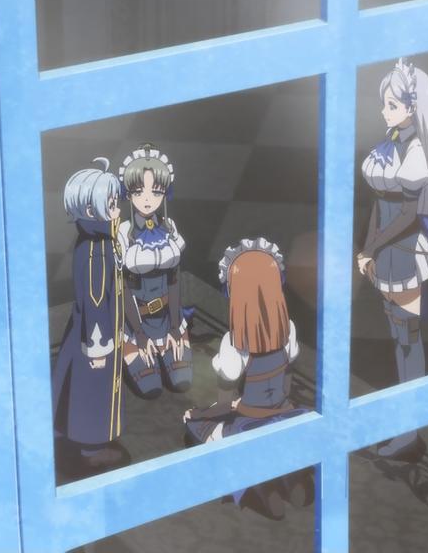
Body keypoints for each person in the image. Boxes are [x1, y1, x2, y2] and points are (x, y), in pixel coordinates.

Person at [356, 58, 428, 460]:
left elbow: (408, 215)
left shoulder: (415, 151)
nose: (384, 111)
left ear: (413, 107)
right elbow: (379, 206)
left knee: (408, 342)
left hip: (405, 255)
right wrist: (367, 247)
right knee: (400, 340)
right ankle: (405, 426)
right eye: (385, 103)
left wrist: (372, 247)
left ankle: (409, 431)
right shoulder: (391, 142)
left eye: (392, 104)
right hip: (386, 252)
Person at [184, 238, 312, 520]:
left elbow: (224, 403)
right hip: (282, 412)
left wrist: (201, 414)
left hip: (249, 421)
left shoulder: (235, 343)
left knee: (196, 427)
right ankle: (292, 478)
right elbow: (287, 382)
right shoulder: (288, 330)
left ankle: (261, 488)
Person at [52, 157, 134, 480]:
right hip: (96, 338)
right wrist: (99, 346)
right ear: (90, 209)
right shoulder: (96, 249)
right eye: (110, 204)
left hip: (86, 332)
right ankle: (90, 449)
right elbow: (96, 300)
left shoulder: (94, 242)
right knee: (92, 391)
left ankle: (64, 432)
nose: (116, 209)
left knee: (71, 382)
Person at [116, 144, 192, 397]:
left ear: (164, 193)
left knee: (182, 382)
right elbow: (124, 288)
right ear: (129, 193)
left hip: (168, 319)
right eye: (139, 191)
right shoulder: (122, 233)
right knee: (151, 389)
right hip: (135, 322)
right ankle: (133, 347)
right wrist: (138, 334)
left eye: (156, 191)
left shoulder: (169, 227)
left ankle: (172, 339)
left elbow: (174, 280)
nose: (147, 199)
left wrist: (175, 327)